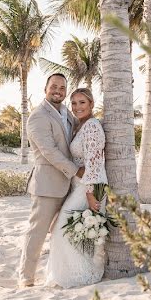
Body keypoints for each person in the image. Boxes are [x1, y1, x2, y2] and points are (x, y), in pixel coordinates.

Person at [17, 73, 84, 288]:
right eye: (54, 86)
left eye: (62, 88)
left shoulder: (66, 113)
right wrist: (75, 170)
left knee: (61, 230)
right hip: (47, 185)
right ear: (45, 88)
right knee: (37, 231)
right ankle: (26, 276)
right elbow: (49, 151)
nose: (58, 91)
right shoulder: (37, 117)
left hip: (69, 185)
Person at [46, 87, 107, 288]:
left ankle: (80, 274)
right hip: (78, 185)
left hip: (90, 186)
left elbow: (95, 163)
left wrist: (90, 193)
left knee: (63, 230)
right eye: (74, 103)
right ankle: (73, 273)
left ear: (91, 104)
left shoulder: (92, 127)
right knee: (75, 231)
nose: (77, 107)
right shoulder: (79, 126)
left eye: (82, 102)